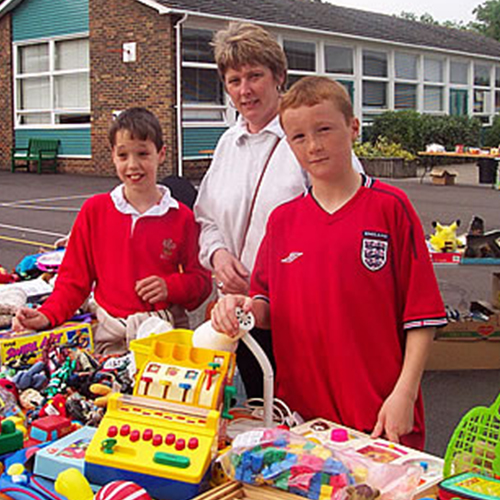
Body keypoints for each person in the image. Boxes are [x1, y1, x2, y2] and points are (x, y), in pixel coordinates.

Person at [211, 76, 447, 450]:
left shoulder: (390, 208)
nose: (314, 146)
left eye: (324, 130)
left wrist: (405, 393)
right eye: (299, 137)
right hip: (303, 422)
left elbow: (421, 316)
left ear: (353, 128)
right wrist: (240, 309)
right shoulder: (283, 221)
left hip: (379, 415)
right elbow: (267, 307)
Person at [194, 22, 363, 399]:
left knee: (303, 417)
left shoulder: (306, 139)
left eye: (255, 76)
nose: (245, 89)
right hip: (236, 314)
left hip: (295, 318)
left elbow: (346, 219)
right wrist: (218, 256)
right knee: (251, 411)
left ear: (279, 77)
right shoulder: (227, 144)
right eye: (234, 79)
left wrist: (267, 281)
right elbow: (205, 217)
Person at [14, 107, 212, 355]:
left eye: (143, 153)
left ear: (161, 154)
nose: (133, 165)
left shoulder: (182, 217)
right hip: (110, 334)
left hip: (164, 333)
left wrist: (171, 286)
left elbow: (202, 284)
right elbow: (73, 281)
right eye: (123, 155)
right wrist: (45, 314)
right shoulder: (94, 211)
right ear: (113, 157)